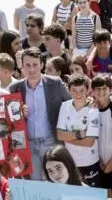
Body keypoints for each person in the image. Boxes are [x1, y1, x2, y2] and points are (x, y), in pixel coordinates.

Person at [9, 48, 71, 181]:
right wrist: (17, 114)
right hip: (28, 145)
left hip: (51, 142)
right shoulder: (15, 88)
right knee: (35, 184)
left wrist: (87, 101)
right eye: (27, 65)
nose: (31, 69)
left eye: (35, 65)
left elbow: (71, 104)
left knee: (55, 181)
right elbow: (9, 119)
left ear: (42, 65)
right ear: (22, 66)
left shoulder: (55, 83)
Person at [56, 74, 101, 186]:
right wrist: (80, 134)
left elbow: (89, 142)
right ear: (68, 90)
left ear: (87, 90)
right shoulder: (64, 106)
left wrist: (68, 138)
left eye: (82, 90)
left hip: (89, 161)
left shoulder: (93, 109)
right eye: (74, 90)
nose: (78, 94)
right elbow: (59, 135)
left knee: (92, 197)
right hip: (70, 161)